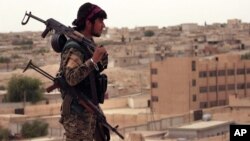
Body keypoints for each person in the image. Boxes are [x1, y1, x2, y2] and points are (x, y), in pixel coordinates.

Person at [58, 2, 109, 141]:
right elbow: (71, 77)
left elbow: (94, 71)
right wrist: (93, 60)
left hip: (89, 110)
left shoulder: (88, 44)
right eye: (100, 21)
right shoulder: (74, 47)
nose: (103, 25)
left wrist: (101, 59)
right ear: (88, 23)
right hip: (77, 117)